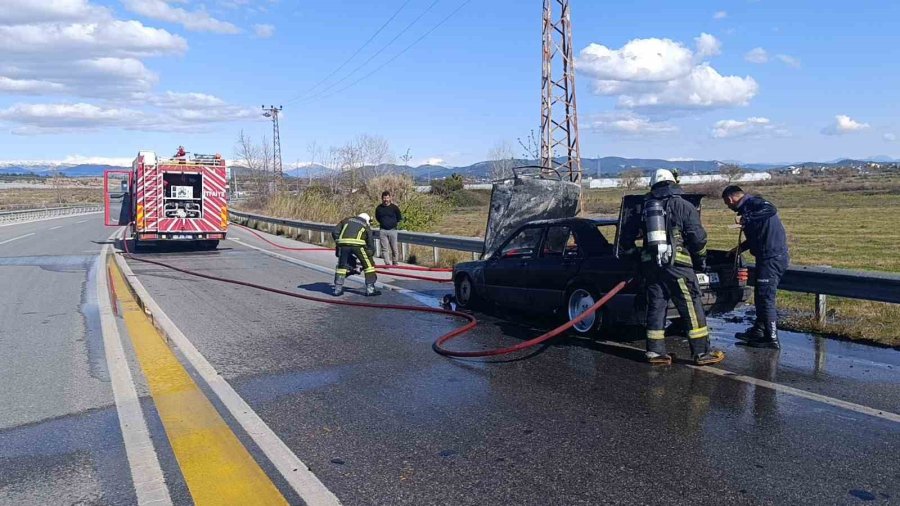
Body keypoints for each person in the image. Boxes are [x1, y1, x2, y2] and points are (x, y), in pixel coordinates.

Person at [621, 169, 725, 366]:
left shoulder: (643, 208)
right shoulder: (683, 205)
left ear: (653, 185)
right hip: (678, 266)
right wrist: (700, 260)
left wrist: (637, 258)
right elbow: (698, 238)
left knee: (656, 306)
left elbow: (625, 240)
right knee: (690, 305)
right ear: (673, 183)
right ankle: (702, 353)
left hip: (651, 268)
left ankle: (655, 352)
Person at [722, 185, 789, 349]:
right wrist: (738, 249)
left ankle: (771, 338)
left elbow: (771, 209)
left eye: (727, 203)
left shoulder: (755, 203)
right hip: (765, 257)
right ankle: (758, 331)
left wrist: (747, 218)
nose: (728, 206)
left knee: (766, 297)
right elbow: (756, 237)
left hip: (772, 258)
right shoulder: (748, 209)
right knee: (760, 296)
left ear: (730, 199)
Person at [332, 212, 381, 297]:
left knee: (341, 267)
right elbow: (370, 241)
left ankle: (337, 289)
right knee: (369, 266)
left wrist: (339, 243)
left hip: (343, 245)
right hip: (358, 245)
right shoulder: (365, 225)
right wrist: (370, 253)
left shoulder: (346, 220)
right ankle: (370, 290)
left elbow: (335, 232)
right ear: (367, 219)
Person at [375, 191, 402, 265]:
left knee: (394, 248)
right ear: (382, 198)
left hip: (393, 230)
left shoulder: (394, 207)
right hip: (383, 231)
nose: (386, 200)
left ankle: (395, 262)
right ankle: (387, 263)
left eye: (387, 198)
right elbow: (377, 218)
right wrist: (384, 223)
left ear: (390, 198)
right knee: (384, 249)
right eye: (384, 198)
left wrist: (393, 224)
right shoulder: (379, 208)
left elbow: (399, 218)